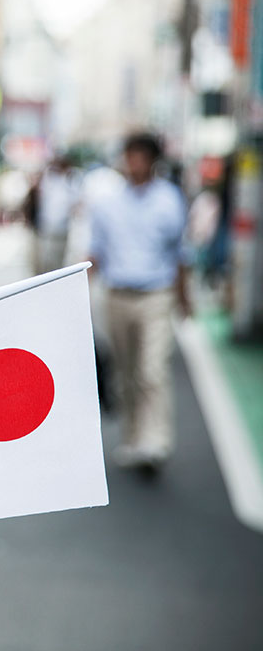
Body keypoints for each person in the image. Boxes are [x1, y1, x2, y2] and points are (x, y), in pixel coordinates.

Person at [88, 132, 191, 476]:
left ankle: (155, 441)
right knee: (125, 372)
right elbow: (95, 254)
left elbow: (180, 254)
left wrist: (183, 298)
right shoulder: (107, 203)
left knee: (152, 370)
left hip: (155, 296)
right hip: (117, 296)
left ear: (152, 160)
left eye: (140, 155)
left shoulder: (169, 200)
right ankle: (132, 437)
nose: (133, 162)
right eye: (129, 155)